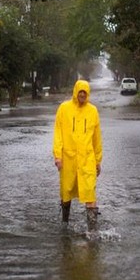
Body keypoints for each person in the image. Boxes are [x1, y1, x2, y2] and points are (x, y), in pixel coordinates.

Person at [53, 80, 103, 229]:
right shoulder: (64, 108)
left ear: (87, 94)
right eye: (80, 92)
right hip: (68, 159)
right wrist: (57, 156)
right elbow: (58, 133)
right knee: (66, 192)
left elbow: (97, 138)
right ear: (75, 92)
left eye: (85, 92)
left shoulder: (93, 111)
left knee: (90, 193)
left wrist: (98, 160)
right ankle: (65, 222)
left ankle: (92, 231)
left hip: (87, 159)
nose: (82, 95)